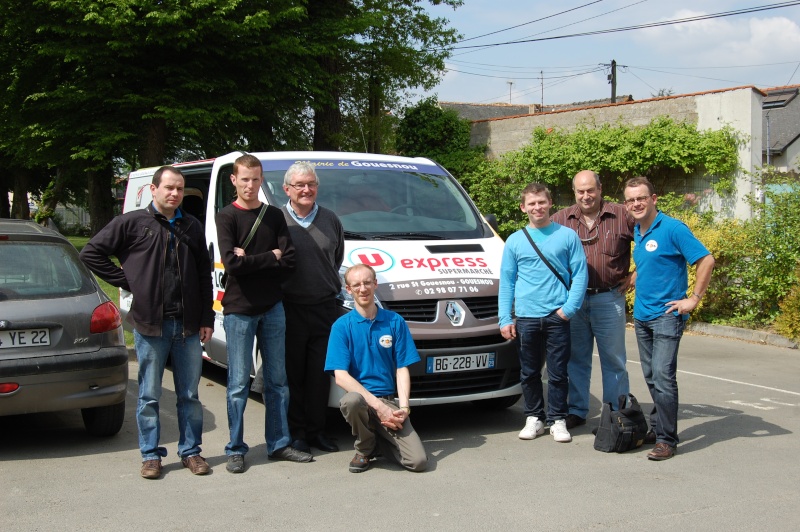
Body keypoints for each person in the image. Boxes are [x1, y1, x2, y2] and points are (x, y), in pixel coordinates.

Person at [80, 166, 214, 479]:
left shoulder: (192, 226)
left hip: (189, 326)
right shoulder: (131, 223)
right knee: (150, 395)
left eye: (179, 189)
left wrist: (206, 316)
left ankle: (191, 452)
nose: (174, 194)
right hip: (151, 325)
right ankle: (151, 455)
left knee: (190, 395)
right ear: (153, 190)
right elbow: (91, 253)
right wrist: (128, 281)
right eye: (168, 188)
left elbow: (204, 276)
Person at [215, 153, 312, 473]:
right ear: (234, 180)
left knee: (277, 382)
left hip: (273, 308)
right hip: (239, 311)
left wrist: (252, 259)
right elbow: (232, 264)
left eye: (256, 179)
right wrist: (270, 256)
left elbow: (290, 260)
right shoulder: (226, 216)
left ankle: (279, 443)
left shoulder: (273, 215)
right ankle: (235, 449)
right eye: (244, 179)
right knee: (239, 383)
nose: (251, 185)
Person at [623, 176, 715, 461]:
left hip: (667, 316)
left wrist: (693, 299)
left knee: (663, 377)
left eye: (641, 198)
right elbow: (654, 261)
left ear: (653, 199)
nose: (636, 203)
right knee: (651, 376)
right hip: (642, 316)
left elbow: (706, 260)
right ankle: (658, 427)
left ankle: (666, 440)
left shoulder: (673, 228)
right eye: (631, 200)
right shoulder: (639, 230)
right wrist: (635, 276)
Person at [499, 182, 588, 443]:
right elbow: (507, 281)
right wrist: (505, 317)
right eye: (531, 203)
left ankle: (558, 419)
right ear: (523, 207)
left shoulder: (567, 236)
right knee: (528, 372)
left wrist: (568, 310)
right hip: (525, 317)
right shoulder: (515, 240)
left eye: (541, 202)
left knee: (559, 372)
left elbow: (580, 274)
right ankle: (534, 417)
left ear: (550, 204)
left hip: (556, 315)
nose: (537, 207)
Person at [324, 264, 427, 473]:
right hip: (361, 401)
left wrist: (404, 408)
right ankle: (364, 447)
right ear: (349, 289)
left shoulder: (395, 321)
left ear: (375, 284)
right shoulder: (341, 327)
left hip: (388, 399)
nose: (363, 289)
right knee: (350, 400)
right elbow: (341, 377)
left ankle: (379, 442)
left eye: (367, 283)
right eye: (356, 285)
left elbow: (402, 368)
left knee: (417, 462)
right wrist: (379, 408)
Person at [551, 170, 634, 429]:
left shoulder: (622, 215)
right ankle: (576, 410)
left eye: (590, 190)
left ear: (600, 189)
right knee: (576, 359)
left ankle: (615, 412)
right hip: (573, 301)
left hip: (609, 298)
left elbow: (650, 238)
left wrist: (636, 274)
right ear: (574, 192)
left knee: (614, 359)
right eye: (580, 191)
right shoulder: (560, 219)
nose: (585, 196)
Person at [281, 162, 345, 455]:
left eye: (311, 184)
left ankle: (318, 432)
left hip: (324, 308)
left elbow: (336, 259)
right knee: (294, 375)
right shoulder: (276, 219)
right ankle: (297, 435)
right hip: (289, 308)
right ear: (287, 189)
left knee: (320, 374)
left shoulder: (331, 219)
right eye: (300, 185)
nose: (306, 190)